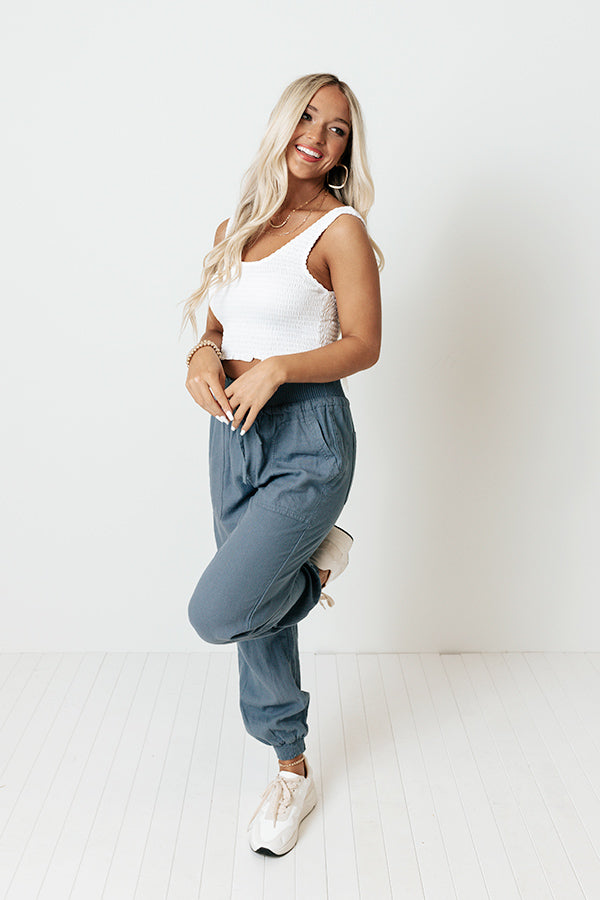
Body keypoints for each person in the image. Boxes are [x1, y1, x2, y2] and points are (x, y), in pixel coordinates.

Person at [179, 72, 383, 856]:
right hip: (232, 433)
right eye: (309, 117)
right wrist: (202, 356)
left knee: (219, 612)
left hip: (307, 438)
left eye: (338, 129)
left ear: (346, 151)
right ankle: (290, 770)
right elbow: (217, 326)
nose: (318, 137)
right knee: (254, 619)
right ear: (283, 122)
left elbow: (363, 343)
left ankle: (316, 568)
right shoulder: (238, 224)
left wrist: (279, 368)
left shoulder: (340, 229)